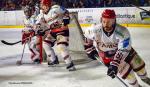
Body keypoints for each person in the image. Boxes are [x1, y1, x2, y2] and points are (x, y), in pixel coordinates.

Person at [84, 9, 150, 87]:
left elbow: (124, 49)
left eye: (109, 21)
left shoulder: (122, 31)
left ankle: (146, 79)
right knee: (131, 78)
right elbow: (87, 37)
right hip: (108, 58)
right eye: (104, 21)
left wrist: (115, 63)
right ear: (101, 20)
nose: (106, 24)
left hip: (127, 53)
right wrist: (89, 48)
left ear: (114, 20)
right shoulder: (94, 30)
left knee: (141, 71)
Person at [36, 0, 76, 71]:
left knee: (61, 46)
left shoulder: (56, 8)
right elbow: (38, 23)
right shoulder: (41, 14)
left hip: (62, 30)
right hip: (53, 31)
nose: (41, 7)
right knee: (45, 44)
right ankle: (54, 60)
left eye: (43, 5)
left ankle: (70, 64)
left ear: (47, 5)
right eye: (41, 5)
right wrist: (39, 30)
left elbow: (66, 11)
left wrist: (66, 18)